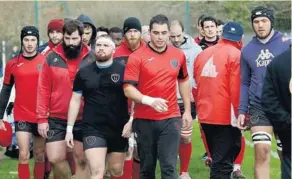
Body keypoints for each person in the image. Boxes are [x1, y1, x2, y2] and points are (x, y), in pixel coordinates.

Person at [123, 14, 193, 179]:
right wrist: (149, 101)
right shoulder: (137, 57)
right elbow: (128, 89)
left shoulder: (178, 55)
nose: (160, 37)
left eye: (163, 33)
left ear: (169, 32)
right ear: (149, 33)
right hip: (144, 119)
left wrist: (188, 111)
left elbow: (183, 80)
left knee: (169, 167)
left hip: (171, 118)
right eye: (156, 33)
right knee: (147, 169)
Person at [65, 35, 130, 179]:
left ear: (114, 50)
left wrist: (131, 121)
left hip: (118, 127)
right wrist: (69, 129)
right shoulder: (83, 72)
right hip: (92, 128)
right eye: (98, 45)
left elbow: (134, 97)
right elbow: (75, 100)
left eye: (105, 45)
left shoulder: (124, 70)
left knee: (116, 170)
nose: (101, 48)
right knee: (97, 171)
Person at [37, 19, 95, 179]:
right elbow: (43, 89)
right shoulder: (51, 57)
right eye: (67, 38)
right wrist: (42, 118)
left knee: (82, 159)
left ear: (82, 37)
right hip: (57, 117)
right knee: (55, 158)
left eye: (74, 39)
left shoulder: (92, 58)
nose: (70, 43)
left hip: (85, 117)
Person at [237, 6, 290, 179]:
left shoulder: (286, 43)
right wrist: (241, 110)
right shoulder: (247, 50)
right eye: (256, 22)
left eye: (264, 21)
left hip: (284, 106)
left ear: (271, 22)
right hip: (259, 107)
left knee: (286, 154)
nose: (260, 25)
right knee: (262, 150)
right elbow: (244, 82)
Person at [193, 21, 244, 179]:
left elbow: (195, 85)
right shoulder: (236, 55)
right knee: (222, 164)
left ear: (222, 35)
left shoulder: (202, 54)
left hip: (205, 114)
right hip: (225, 117)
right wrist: (241, 115)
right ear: (240, 38)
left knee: (218, 159)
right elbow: (235, 89)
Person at [0, 26, 46, 179]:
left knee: (40, 155)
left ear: (37, 41)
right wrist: (0, 115)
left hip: (41, 115)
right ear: (22, 41)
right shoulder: (12, 64)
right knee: (24, 155)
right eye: (26, 40)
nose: (30, 43)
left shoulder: (45, 61)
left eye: (33, 40)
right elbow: (6, 90)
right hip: (22, 114)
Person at [113, 16, 146, 179]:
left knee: (140, 151)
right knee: (125, 150)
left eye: (135, 31)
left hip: (144, 106)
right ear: (124, 34)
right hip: (121, 107)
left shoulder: (148, 50)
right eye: (129, 31)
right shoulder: (116, 53)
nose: (132, 34)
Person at [169, 20, 202, 179]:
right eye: (172, 36)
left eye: (178, 35)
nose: (175, 39)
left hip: (187, 100)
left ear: (184, 32)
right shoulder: (164, 48)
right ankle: (170, 168)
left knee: (185, 136)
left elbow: (198, 73)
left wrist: (194, 93)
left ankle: (184, 172)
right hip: (167, 100)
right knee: (169, 135)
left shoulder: (195, 50)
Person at [262, 46, 291, 179]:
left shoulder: (277, 63)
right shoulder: (277, 64)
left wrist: (286, 121)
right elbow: (269, 100)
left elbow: (269, 101)